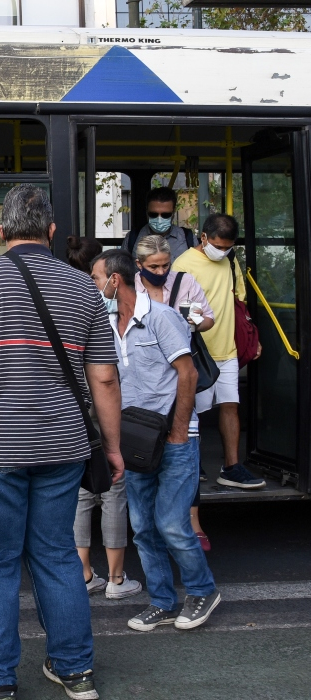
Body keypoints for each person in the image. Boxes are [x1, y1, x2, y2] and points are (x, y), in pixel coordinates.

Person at [0, 184, 123, 700]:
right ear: (52, 232)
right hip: (63, 448)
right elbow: (104, 378)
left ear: (0, 231)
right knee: (58, 554)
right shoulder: (84, 288)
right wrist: (112, 447)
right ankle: (75, 670)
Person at [90, 249, 221, 633]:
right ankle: (162, 601)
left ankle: (202, 591)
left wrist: (179, 431)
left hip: (174, 437)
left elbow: (188, 375)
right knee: (143, 525)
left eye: (97, 279)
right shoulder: (107, 323)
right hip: (135, 441)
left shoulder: (161, 318)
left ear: (115, 281)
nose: (94, 286)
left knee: (171, 523)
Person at [62, 239, 142, 603]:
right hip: (109, 411)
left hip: (80, 413)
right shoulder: (102, 311)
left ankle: (84, 573)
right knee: (113, 492)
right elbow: (108, 377)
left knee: (81, 491)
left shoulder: (76, 308)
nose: (93, 283)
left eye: (95, 277)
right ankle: (116, 577)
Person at [134, 234, 216, 551]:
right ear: (139, 265)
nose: (161, 270)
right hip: (144, 380)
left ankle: (190, 523)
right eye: (154, 266)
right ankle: (156, 528)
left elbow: (208, 319)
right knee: (146, 453)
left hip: (181, 372)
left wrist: (195, 320)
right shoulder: (132, 287)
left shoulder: (184, 282)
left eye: (165, 264)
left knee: (184, 454)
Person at [172, 214, 264, 489]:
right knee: (193, 412)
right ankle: (193, 465)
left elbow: (237, 300)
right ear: (203, 237)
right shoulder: (184, 264)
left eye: (227, 247)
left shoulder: (228, 260)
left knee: (230, 406)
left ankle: (232, 467)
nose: (222, 252)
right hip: (198, 352)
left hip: (227, 349)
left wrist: (249, 337)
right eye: (218, 246)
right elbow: (179, 305)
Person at [121, 186, 196, 259]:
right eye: (153, 214)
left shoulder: (188, 238)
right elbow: (122, 268)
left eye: (165, 215)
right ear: (147, 211)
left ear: (173, 212)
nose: (159, 219)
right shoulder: (132, 238)